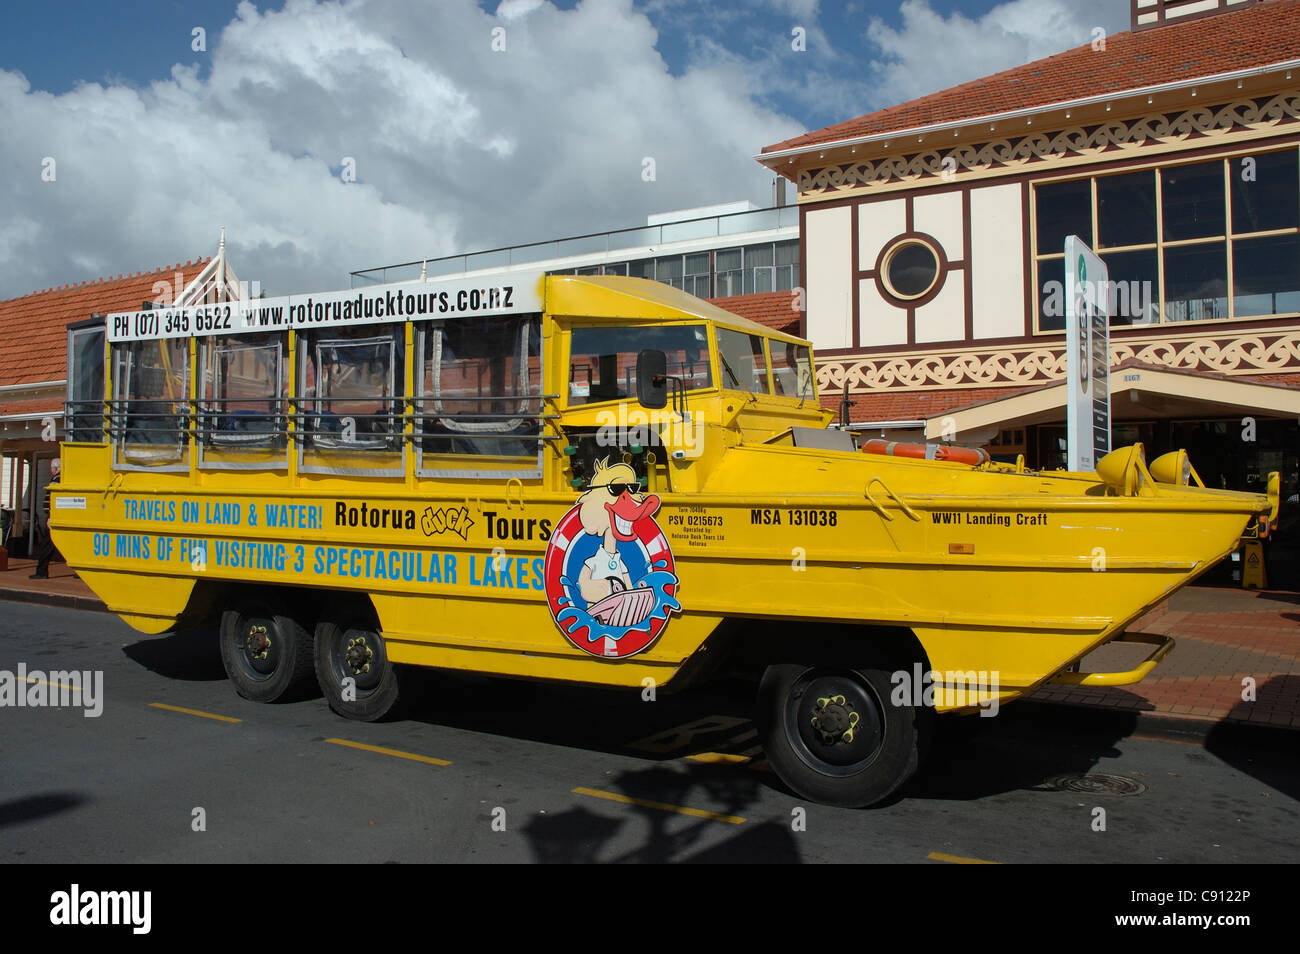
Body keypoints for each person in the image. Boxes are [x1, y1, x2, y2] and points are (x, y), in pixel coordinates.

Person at [29, 459, 59, 579]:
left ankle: (41, 571)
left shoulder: (57, 479)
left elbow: (55, 499)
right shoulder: (58, 478)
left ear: (55, 468)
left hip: (53, 517)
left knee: (46, 545)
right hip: (53, 516)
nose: (50, 470)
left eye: (51, 468)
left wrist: (51, 516)